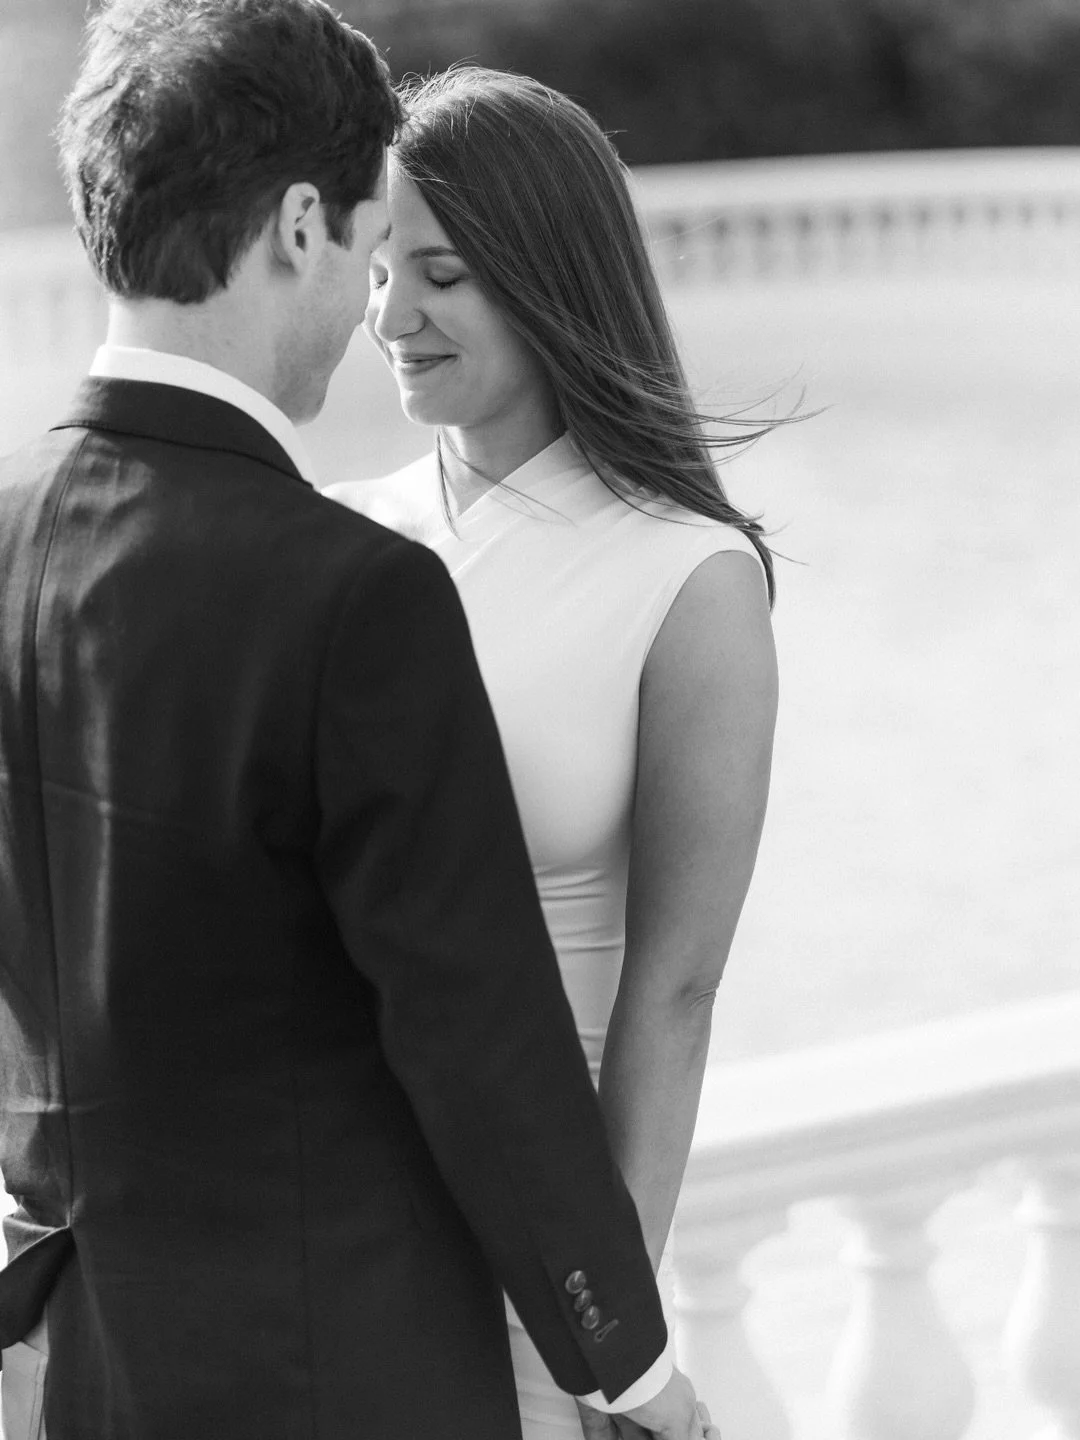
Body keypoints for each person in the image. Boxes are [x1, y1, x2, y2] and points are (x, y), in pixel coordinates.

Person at [0, 6, 718, 1439]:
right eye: (373, 251)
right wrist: (627, 1366)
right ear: (297, 227)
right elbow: (478, 1035)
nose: (376, 311)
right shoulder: (355, 595)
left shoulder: (8, 536)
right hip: (336, 1373)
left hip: (69, 1359)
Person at [327, 66, 781, 1440]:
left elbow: (678, 989)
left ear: (546, 272)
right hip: (336, 1229)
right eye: (376, 270)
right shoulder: (333, 537)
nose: (393, 317)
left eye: (443, 272)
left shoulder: (690, 578)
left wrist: (608, 1343)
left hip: (548, 1249)